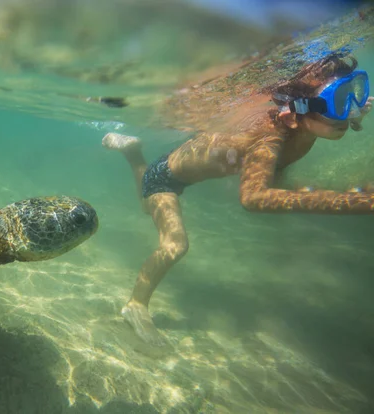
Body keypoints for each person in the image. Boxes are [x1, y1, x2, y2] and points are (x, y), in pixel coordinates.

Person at [103, 53, 373, 345]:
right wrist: (358, 201)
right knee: (174, 244)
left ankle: (132, 152)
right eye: (338, 100)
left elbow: (332, 124)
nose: (350, 109)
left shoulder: (305, 123)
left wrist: (351, 114)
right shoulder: (270, 138)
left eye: (353, 95)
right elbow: (253, 197)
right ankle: (136, 305)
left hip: (182, 162)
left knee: (149, 204)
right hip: (165, 177)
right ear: (299, 109)